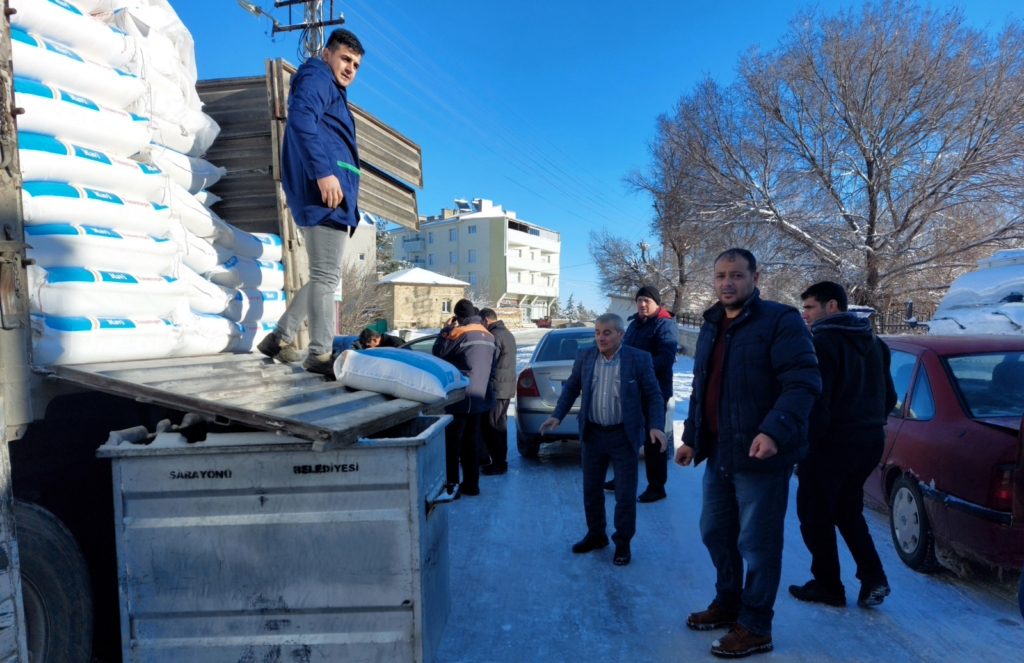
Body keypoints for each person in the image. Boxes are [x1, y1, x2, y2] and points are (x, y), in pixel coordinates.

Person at [675, 248, 820, 658]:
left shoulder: (780, 320)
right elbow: (703, 389)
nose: (727, 283)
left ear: (756, 277)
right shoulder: (711, 323)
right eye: (720, 275)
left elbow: (803, 381)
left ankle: (756, 625)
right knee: (714, 532)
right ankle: (728, 602)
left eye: (736, 275)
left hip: (761, 456)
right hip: (720, 451)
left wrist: (774, 432)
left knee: (757, 542)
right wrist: (690, 439)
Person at [257, 28, 365, 377]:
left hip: (329, 194)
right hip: (325, 193)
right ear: (326, 53)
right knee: (325, 276)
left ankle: (279, 336)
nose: (350, 68)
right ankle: (320, 354)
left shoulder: (329, 86)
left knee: (324, 274)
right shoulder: (317, 78)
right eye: (345, 59)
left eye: (356, 64)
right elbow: (300, 120)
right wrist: (324, 173)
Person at [789, 281, 897, 609]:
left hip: (831, 444)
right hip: (870, 442)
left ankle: (828, 586)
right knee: (847, 510)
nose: (805, 315)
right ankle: (873, 578)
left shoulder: (821, 343)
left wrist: (803, 447)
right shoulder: (875, 342)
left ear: (831, 306)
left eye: (809, 307)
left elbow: (818, 404)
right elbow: (890, 397)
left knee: (813, 512)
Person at [540, 314, 667, 567]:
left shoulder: (638, 358)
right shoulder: (586, 357)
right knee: (591, 490)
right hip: (593, 434)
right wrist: (557, 415)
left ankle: (622, 543)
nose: (601, 337)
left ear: (621, 334)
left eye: (607, 332)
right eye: (598, 332)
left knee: (625, 494)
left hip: (624, 435)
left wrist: (656, 426)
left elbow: (653, 394)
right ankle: (596, 535)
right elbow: (572, 388)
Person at [605, 285, 677, 502]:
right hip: (631, 389)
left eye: (647, 300)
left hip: (655, 391)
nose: (643, 304)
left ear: (657, 303)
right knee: (626, 435)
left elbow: (666, 358)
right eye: (639, 300)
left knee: (653, 439)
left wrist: (638, 367)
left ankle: (657, 487)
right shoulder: (635, 324)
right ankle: (622, 479)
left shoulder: (665, 325)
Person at [432, 299, 496, 497]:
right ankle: (472, 485)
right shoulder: (488, 334)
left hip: (460, 395)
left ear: (458, 316)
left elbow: (439, 352)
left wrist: (445, 331)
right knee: (470, 440)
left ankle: (452, 486)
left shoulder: (459, 332)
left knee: (452, 442)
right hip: (479, 394)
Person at [478, 308, 516, 475]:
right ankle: (501, 461)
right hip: (505, 387)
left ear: (486, 320)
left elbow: (489, 363)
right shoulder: (507, 333)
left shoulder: (494, 336)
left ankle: (498, 463)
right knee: (500, 425)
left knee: (491, 426)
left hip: (497, 387)